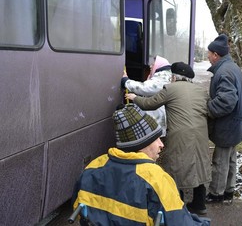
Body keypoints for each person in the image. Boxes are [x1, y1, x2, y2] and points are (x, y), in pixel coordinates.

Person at [71, 104, 210, 226]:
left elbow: (79, 210)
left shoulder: (93, 167)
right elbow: (179, 221)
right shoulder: (156, 178)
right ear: (142, 144)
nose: (161, 145)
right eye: (156, 139)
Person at [126, 62, 211, 216]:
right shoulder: (200, 90)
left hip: (179, 134)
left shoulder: (170, 88)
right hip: (200, 133)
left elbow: (148, 104)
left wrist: (134, 97)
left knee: (176, 167)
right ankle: (199, 204)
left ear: (173, 77)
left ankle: (177, 206)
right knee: (198, 165)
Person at [204, 34, 242, 204]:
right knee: (230, 159)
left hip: (228, 125)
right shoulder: (232, 67)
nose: (208, 57)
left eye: (209, 53)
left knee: (220, 161)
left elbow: (227, 100)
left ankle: (216, 194)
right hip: (236, 124)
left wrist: (208, 109)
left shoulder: (223, 71)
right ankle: (228, 191)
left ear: (216, 54)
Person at [121, 55, 171, 137]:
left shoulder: (163, 77)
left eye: (153, 64)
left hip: (158, 118)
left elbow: (145, 88)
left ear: (159, 65)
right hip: (157, 116)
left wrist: (126, 81)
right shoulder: (163, 76)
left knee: (156, 140)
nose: (150, 66)